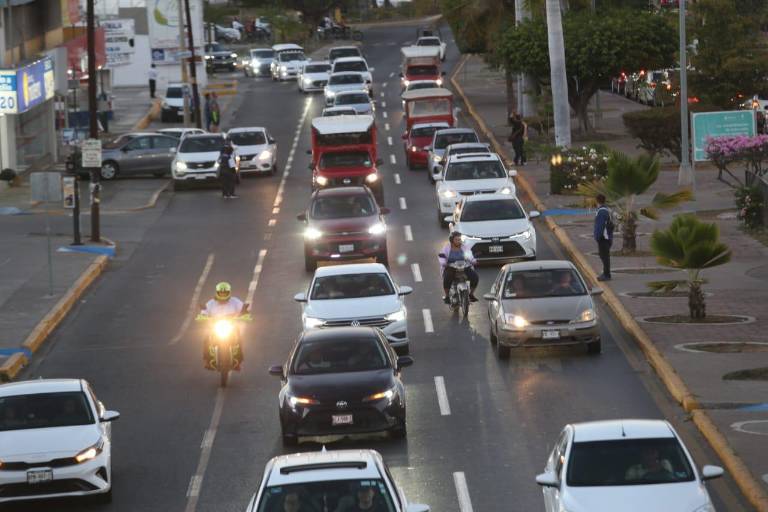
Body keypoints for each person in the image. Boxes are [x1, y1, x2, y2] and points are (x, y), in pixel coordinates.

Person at [200, 282, 246, 370]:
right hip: (215, 327)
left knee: (239, 339)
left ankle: (238, 362)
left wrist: (244, 313)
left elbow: (243, 308)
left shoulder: (235, 301)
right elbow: (204, 312)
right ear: (217, 292)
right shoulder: (211, 303)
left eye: (225, 293)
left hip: (231, 326)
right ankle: (207, 361)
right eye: (221, 293)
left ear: (229, 292)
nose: (223, 294)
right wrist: (203, 316)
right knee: (206, 338)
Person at [438, 232, 479, 304]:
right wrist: (444, 263)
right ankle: (447, 296)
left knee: (475, 277)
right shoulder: (446, 248)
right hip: (451, 267)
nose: (459, 241)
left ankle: (471, 294)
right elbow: (442, 257)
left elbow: (469, 255)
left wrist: (473, 260)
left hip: (464, 266)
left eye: (459, 239)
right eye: (456, 240)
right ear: (452, 240)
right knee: (447, 278)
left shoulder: (464, 247)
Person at [593, 193, 614, 281]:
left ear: (597, 201)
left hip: (603, 238)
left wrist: (597, 236)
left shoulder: (601, 212)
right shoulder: (606, 210)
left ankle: (606, 274)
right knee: (604, 255)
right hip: (607, 237)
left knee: (604, 256)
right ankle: (606, 273)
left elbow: (600, 226)